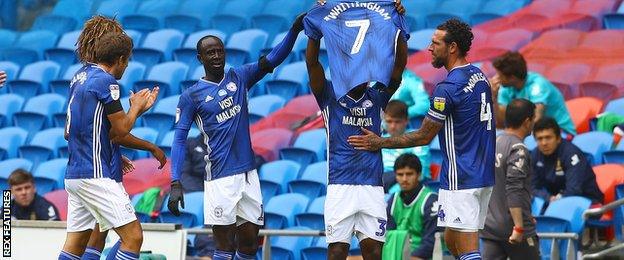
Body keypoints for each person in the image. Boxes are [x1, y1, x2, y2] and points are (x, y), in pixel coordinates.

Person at [348, 19, 496, 260]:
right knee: (451, 239)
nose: (429, 48)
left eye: (435, 43)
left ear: (452, 47)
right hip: (481, 172)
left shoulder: (447, 88)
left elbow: (425, 135)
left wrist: (380, 142)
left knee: (467, 246)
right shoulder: (480, 76)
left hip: (463, 175)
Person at [166, 14, 306, 260]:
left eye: (219, 51)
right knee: (223, 247)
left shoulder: (239, 77)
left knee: (250, 245)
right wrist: (175, 182)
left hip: (249, 175)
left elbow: (273, 59)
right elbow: (179, 140)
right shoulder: (191, 96)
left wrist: (294, 30)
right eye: (210, 53)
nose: (216, 56)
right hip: (220, 178)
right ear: (200, 58)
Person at [304, 0, 409, 257]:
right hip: (340, 185)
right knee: (337, 252)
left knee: (373, 253)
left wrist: (399, 30)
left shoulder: (377, 97)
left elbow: (398, 69)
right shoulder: (329, 95)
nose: (365, 73)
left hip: (372, 187)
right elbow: (312, 64)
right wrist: (315, 32)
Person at [64, 15, 165, 260]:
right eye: (127, 61)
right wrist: (137, 108)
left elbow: (72, 131)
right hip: (96, 173)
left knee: (77, 243)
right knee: (133, 237)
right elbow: (120, 130)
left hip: (75, 173)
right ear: (119, 58)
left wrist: (109, 149)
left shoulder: (79, 76)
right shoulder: (106, 81)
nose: (128, 65)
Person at [480, 99, 540, 260]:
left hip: (490, 228)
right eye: (533, 119)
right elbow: (514, 189)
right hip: (514, 229)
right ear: (527, 122)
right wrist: (519, 226)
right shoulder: (518, 149)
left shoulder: (492, 143)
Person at [490, 51, 576, 136]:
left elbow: (536, 120)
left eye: (499, 75)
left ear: (512, 78)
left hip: (561, 133)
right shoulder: (506, 88)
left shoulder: (538, 85)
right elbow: (501, 123)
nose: (496, 78)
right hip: (532, 133)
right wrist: (494, 97)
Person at [531, 117, 603, 205]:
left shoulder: (571, 154)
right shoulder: (535, 154)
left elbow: (574, 189)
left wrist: (556, 200)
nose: (544, 143)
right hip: (556, 202)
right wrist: (548, 198)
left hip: (588, 201)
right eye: (540, 139)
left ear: (558, 138)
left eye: (548, 137)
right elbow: (531, 187)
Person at [384, 154, 440, 260]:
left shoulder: (431, 201)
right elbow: (387, 235)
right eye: (400, 175)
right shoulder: (393, 199)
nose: (404, 179)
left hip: (423, 257)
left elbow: (431, 242)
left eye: (409, 174)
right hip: (396, 255)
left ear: (419, 175)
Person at [382, 100, 431, 192]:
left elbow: (419, 174)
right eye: (389, 121)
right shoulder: (378, 141)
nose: (392, 126)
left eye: (397, 122)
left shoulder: (418, 140)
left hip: (410, 189)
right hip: (383, 186)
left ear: (407, 120)